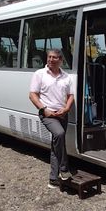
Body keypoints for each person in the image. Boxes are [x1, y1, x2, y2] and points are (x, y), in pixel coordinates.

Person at [29, 49, 75, 189]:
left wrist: (66, 109)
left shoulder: (67, 77)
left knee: (57, 145)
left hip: (62, 115)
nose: (50, 60)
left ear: (60, 60)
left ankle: (53, 178)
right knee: (59, 134)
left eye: (54, 57)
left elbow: (70, 96)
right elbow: (32, 95)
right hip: (47, 114)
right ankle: (64, 169)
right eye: (49, 57)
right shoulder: (40, 74)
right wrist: (44, 110)